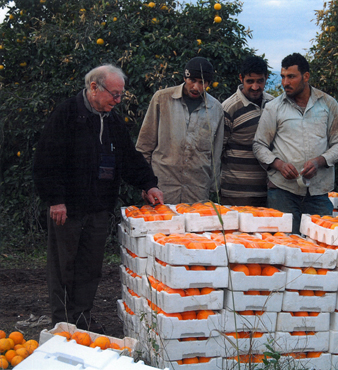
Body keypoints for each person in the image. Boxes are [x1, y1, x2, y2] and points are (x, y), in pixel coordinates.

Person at [33, 64, 163, 331]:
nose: (117, 100)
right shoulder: (67, 113)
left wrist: (148, 184)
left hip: (98, 207)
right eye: (114, 94)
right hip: (67, 208)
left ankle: (82, 317)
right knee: (62, 267)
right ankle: (61, 321)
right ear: (94, 87)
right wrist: (55, 199)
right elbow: (46, 159)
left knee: (90, 267)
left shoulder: (113, 120)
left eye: (120, 95)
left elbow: (128, 157)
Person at [253, 53, 338, 233]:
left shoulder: (328, 104)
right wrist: (278, 164)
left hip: (318, 192)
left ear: (306, 76)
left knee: (320, 247)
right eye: (282, 77)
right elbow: (259, 145)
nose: (285, 83)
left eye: (291, 77)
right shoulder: (274, 107)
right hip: (282, 191)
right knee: (284, 247)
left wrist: (318, 161)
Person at [136, 57, 224, 204]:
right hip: (162, 188)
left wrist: (212, 187)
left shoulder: (216, 109)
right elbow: (144, 145)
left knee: (195, 227)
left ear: (208, 83)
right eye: (192, 80)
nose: (196, 87)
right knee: (161, 225)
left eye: (202, 82)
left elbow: (216, 153)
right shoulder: (162, 99)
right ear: (185, 77)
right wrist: (145, 184)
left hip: (197, 191)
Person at [221, 56, 275, 206]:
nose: (255, 87)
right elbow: (218, 151)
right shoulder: (228, 108)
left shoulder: (273, 105)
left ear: (266, 79)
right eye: (250, 81)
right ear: (241, 78)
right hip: (236, 195)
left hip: (268, 193)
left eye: (260, 81)